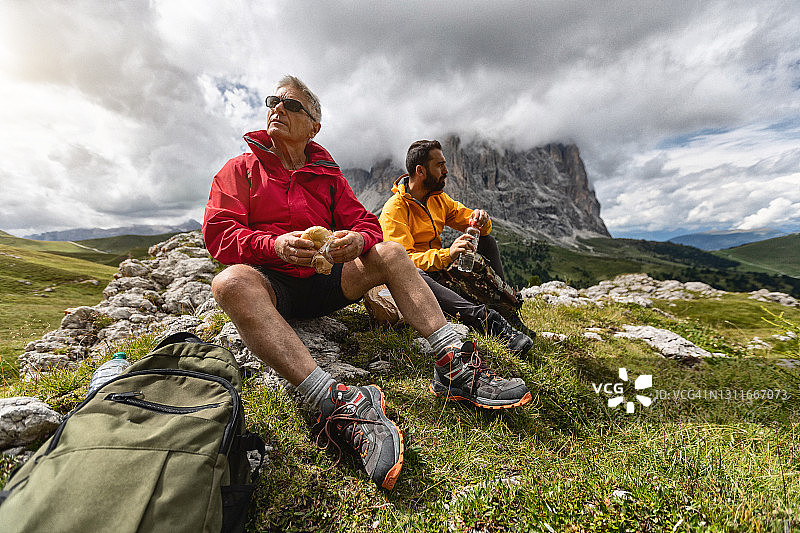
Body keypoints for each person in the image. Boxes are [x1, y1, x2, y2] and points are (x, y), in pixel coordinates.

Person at [203, 77, 532, 491]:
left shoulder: (327, 176)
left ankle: (453, 367)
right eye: (273, 101)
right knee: (230, 282)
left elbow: (366, 225)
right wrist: (275, 246)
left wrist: (358, 240)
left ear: (314, 127)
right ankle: (333, 400)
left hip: (326, 284)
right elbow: (218, 235)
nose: (276, 109)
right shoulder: (240, 170)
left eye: (291, 105)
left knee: (392, 252)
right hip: (271, 284)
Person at [379, 140, 534, 356]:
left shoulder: (438, 199)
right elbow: (403, 260)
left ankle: (506, 309)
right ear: (421, 171)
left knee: (486, 241)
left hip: (440, 268)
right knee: (415, 274)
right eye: (440, 165)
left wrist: (482, 219)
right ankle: (489, 322)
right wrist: (448, 254)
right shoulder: (394, 210)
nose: (446, 170)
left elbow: (470, 221)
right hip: (418, 277)